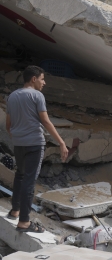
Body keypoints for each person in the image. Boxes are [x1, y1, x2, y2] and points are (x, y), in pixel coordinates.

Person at [4, 65, 69, 233]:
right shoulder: (37, 96)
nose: (44, 82)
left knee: (20, 175)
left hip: (19, 143)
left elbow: (8, 125)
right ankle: (24, 222)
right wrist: (61, 142)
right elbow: (46, 122)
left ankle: (15, 210)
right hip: (34, 144)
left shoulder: (12, 96)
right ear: (33, 79)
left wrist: (18, 136)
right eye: (42, 79)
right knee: (29, 181)